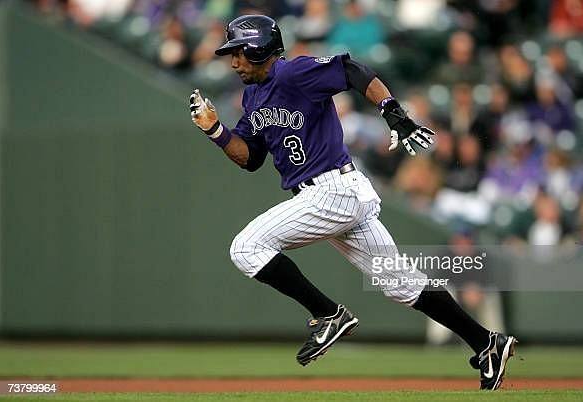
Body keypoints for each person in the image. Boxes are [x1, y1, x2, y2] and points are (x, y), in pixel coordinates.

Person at [189, 15, 517, 390]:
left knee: (246, 247)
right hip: (332, 196)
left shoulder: (293, 73)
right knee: (400, 284)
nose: (232, 61)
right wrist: (215, 130)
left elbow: (352, 71)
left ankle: (327, 314)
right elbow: (249, 158)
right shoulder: (253, 96)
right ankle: (486, 342)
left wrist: (393, 111)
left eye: (237, 52)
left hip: (333, 190)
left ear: (258, 47)